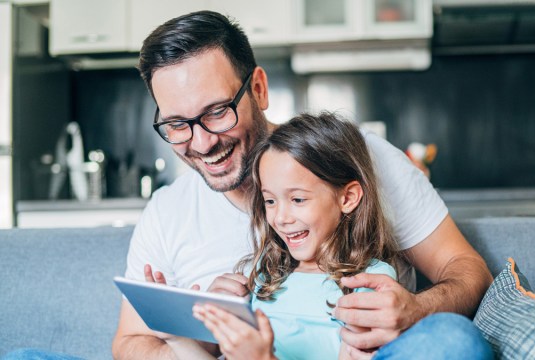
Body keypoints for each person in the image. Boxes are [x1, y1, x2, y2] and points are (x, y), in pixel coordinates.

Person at [111, 10, 494, 360]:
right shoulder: (168, 210)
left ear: (259, 89)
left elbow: (467, 270)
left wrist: (415, 310)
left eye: (216, 112)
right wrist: (200, 333)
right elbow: (130, 342)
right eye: (178, 125)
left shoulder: (359, 158)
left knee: (453, 339)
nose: (202, 143)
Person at [193, 112, 401, 359]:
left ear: (347, 198)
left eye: (298, 199)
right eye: (270, 200)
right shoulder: (267, 273)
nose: (280, 218)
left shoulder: (370, 282)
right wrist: (182, 325)